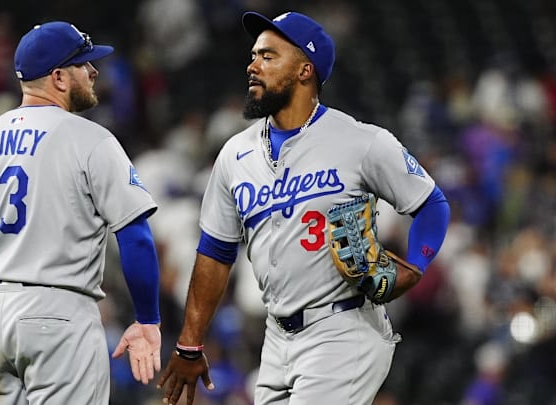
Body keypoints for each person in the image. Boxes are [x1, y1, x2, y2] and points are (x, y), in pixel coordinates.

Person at [157, 11, 451, 405]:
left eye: (268, 56)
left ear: (304, 70)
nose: (252, 65)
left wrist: (416, 265)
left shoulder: (360, 142)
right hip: (276, 337)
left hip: (343, 330)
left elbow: (432, 204)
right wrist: (190, 345)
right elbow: (215, 251)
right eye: (253, 55)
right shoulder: (234, 155)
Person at [0, 21, 162, 404]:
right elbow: (135, 234)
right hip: (59, 315)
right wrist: (148, 319)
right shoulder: (90, 139)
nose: (94, 72)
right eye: (84, 64)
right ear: (57, 76)